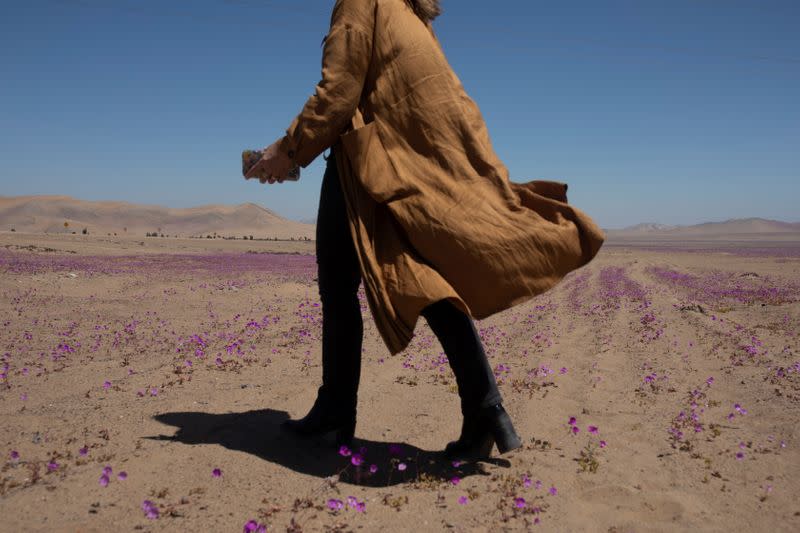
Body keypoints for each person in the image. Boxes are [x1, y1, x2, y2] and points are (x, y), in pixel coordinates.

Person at [245, 0, 604, 460]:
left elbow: (339, 92)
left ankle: (339, 408)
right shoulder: (407, 10)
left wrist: (287, 150)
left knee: (341, 286)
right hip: (406, 159)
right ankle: (485, 409)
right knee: (419, 274)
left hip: (373, 161)